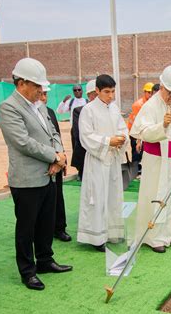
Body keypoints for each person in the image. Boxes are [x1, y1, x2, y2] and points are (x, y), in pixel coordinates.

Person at [0, 57, 72, 291]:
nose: (41, 90)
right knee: (27, 227)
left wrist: (59, 156)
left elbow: (53, 131)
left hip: (49, 174)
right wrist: (54, 156)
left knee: (45, 222)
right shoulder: (9, 107)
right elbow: (22, 142)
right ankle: (27, 271)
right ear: (21, 84)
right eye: (37, 85)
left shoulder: (39, 106)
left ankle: (45, 260)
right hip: (27, 179)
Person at [130, 65, 171, 253]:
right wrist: (161, 126)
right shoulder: (150, 105)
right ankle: (154, 237)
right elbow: (140, 131)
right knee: (157, 195)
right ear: (163, 87)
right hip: (157, 160)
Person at [77, 74, 129, 252]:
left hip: (113, 159)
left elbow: (123, 128)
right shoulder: (88, 110)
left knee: (113, 196)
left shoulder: (114, 109)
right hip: (97, 161)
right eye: (107, 92)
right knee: (97, 197)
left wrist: (122, 138)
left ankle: (111, 233)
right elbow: (86, 136)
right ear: (97, 91)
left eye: (113, 91)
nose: (111, 96)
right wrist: (108, 141)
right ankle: (96, 237)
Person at [39, 86, 72, 242]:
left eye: (46, 94)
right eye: (42, 94)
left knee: (58, 196)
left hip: (57, 162)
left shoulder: (50, 112)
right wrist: (53, 159)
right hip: (41, 163)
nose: (44, 97)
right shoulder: (26, 113)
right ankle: (43, 230)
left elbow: (56, 136)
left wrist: (62, 160)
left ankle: (59, 228)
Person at [71, 79, 97, 180]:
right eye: (94, 94)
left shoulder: (109, 110)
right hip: (85, 155)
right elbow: (79, 135)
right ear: (89, 95)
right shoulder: (79, 111)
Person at [127, 82, 154, 174]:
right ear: (144, 92)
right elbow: (137, 123)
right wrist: (139, 139)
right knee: (136, 151)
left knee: (143, 151)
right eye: (149, 92)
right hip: (135, 131)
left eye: (152, 93)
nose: (150, 95)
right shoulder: (138, 105)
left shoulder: (150, 103)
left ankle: (139, 168)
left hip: (143, 131)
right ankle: (134, 170)